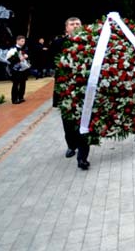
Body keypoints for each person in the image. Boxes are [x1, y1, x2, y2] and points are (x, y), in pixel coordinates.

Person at [52, 17, 91, 169]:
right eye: (72, 24)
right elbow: (52, 63)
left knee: (84, 118)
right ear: (66, 28)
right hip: (65, 87)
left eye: (78, 24)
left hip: (83, 88)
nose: (75, 26)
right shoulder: (58, 44)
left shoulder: (88, 42)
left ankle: (83, 156)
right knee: (67, 120)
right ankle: (71, 145)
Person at [7, 35, 30, 104]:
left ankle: (21, 97)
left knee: (23, 83)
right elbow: (9, 59)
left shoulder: (24, 48)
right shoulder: (12, 49)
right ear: (17, 41)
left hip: (23, 68)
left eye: (24, 41)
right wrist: (19, 59)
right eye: (22, 41)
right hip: (16, 69)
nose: (23, 42)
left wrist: (26, 56)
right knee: (16, 84)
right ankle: (14, 99)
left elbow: (27, 56)